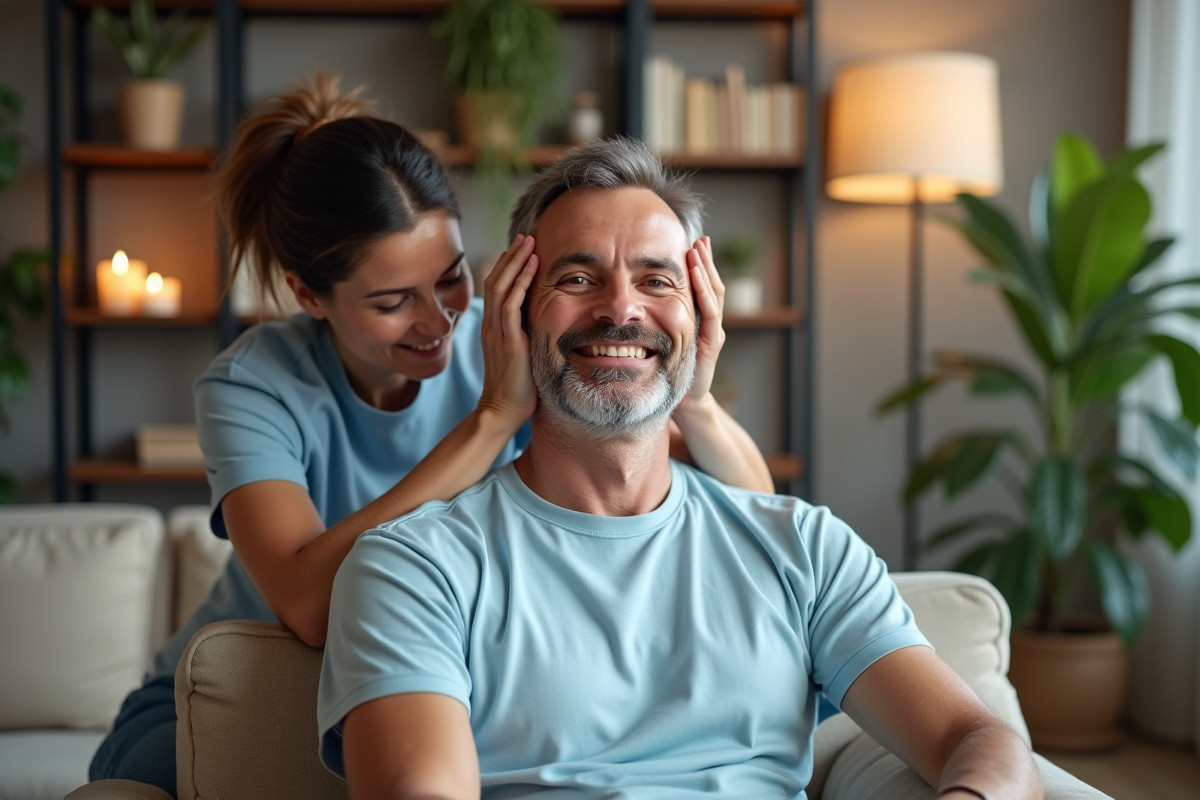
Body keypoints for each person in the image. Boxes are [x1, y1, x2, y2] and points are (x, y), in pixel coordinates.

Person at [89, 77, 772, 796]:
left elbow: (758, 517)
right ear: (307, 294)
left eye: (449, 279)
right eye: (391, 301)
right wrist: (491, 423)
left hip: (428, 681)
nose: (440, 320)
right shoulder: (251, 386)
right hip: (236, 693)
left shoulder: (506, 333)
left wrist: (692, 397)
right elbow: (309, 606)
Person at [318, 138, 1046, 800]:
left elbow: (979, 741)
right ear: (513, 314)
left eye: (657, 281)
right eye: (578, 278)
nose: (621, 309)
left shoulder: (806, 549)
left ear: (701, 320)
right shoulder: (412, 566)